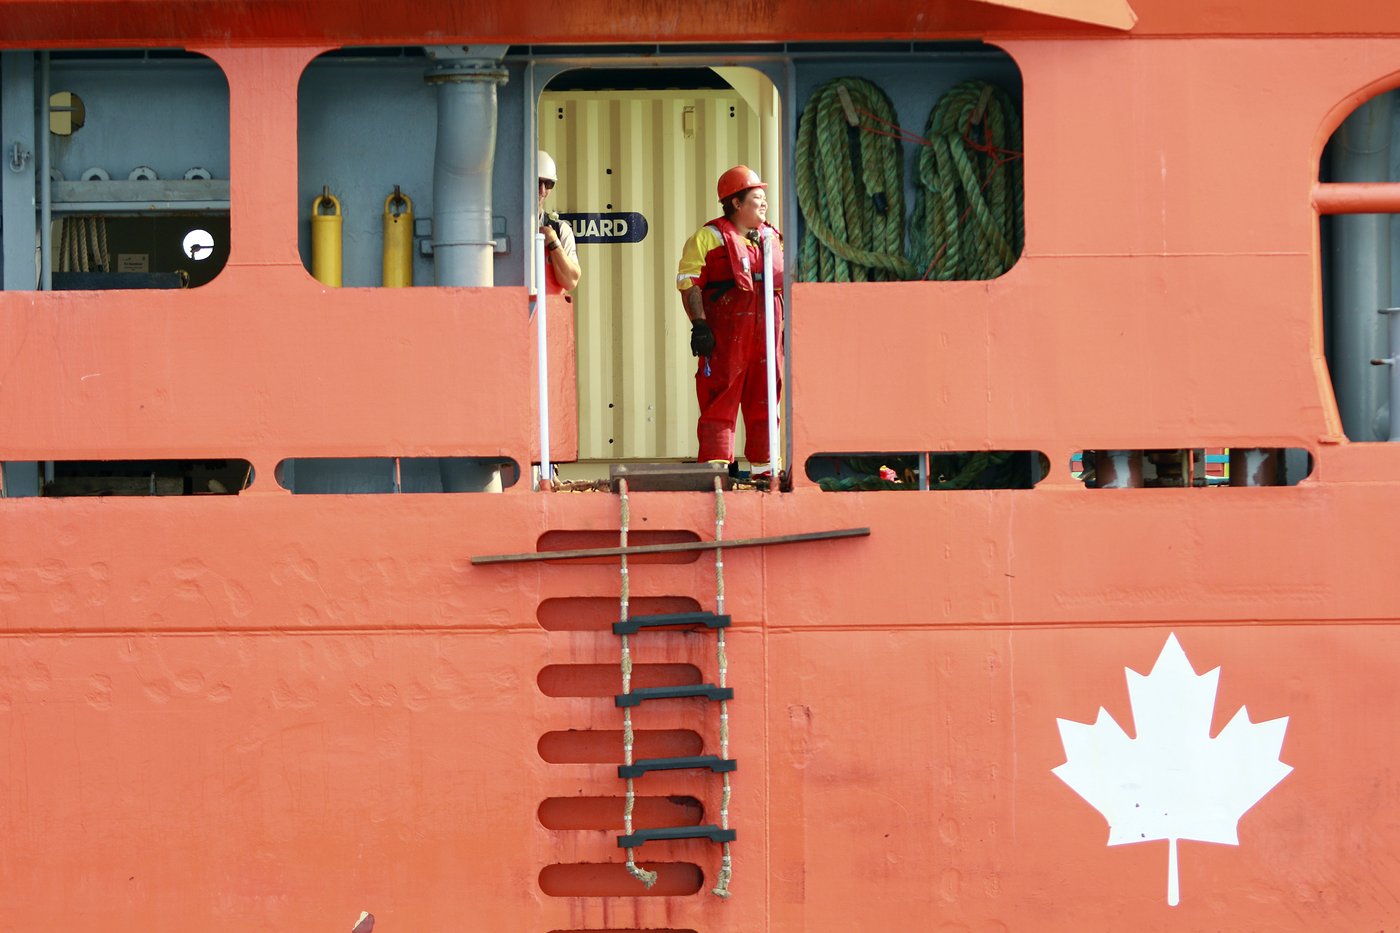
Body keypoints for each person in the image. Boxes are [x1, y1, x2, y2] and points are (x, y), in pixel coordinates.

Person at [675, 164, 784, 478]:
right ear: (737, 202)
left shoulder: (773, 238)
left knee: (766, 401)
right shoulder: (707, 239)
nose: (764, 203)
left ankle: (766, 472)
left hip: (767, 340)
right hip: (726, 339)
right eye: (757, 197)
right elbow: (689, 282)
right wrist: (700, 325)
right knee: (719, 402)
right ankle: (714, 474)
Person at [537, 149, 581, 295]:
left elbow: (571, 281)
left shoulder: (560, 230)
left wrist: (553, 242)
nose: (542, 191)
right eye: (537, 182)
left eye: (548, 184)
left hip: (548, 315)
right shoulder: (502, 228)